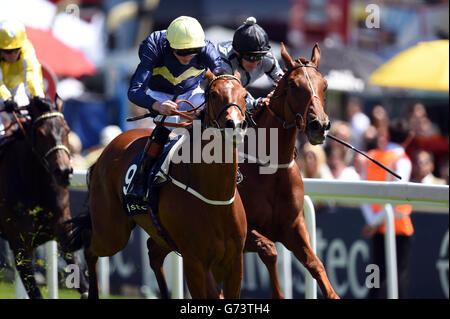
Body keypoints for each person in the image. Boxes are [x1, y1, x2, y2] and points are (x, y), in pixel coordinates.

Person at [126, 16, 223, 200]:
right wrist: (156, 105)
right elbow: (134, 91)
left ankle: (226, 166)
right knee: (167, 122)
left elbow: (223, 81)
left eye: (193, 51)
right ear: (170, 45)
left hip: (191, 92)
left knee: (215, 111)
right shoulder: (154, 44)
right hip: (160, 94)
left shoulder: (208, 48)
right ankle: (141, 178)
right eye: (181, 52)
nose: (187, 57)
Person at [360, 119, 414, 299]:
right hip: (398, 227)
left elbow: (361, 192)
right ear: (409, 138)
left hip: (376, 226)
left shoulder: (371, 155)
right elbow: (397, 197)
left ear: (388, 135)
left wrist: (372, 221)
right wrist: (376, 222)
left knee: (375, 272)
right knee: (398, 276)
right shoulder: (403, 160)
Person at [216, 17, 283, 111]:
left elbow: (284, 82)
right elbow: (232, 93)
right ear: (237, 53)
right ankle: (194, 125)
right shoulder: (223, 60)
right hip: (201, 89)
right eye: (250, 57)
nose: (255, 63)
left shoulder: (266, 57)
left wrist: (278, 93)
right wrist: (257, 103)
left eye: (259, 57)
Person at [0, 19, 45, 136]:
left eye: (16, 51)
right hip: (2, 91)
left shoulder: (27, 48)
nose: (12, 55)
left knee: (26, 116)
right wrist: (6, 99)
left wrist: (38, 97)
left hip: (17, 86)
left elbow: (32, 73)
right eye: (7, 51)